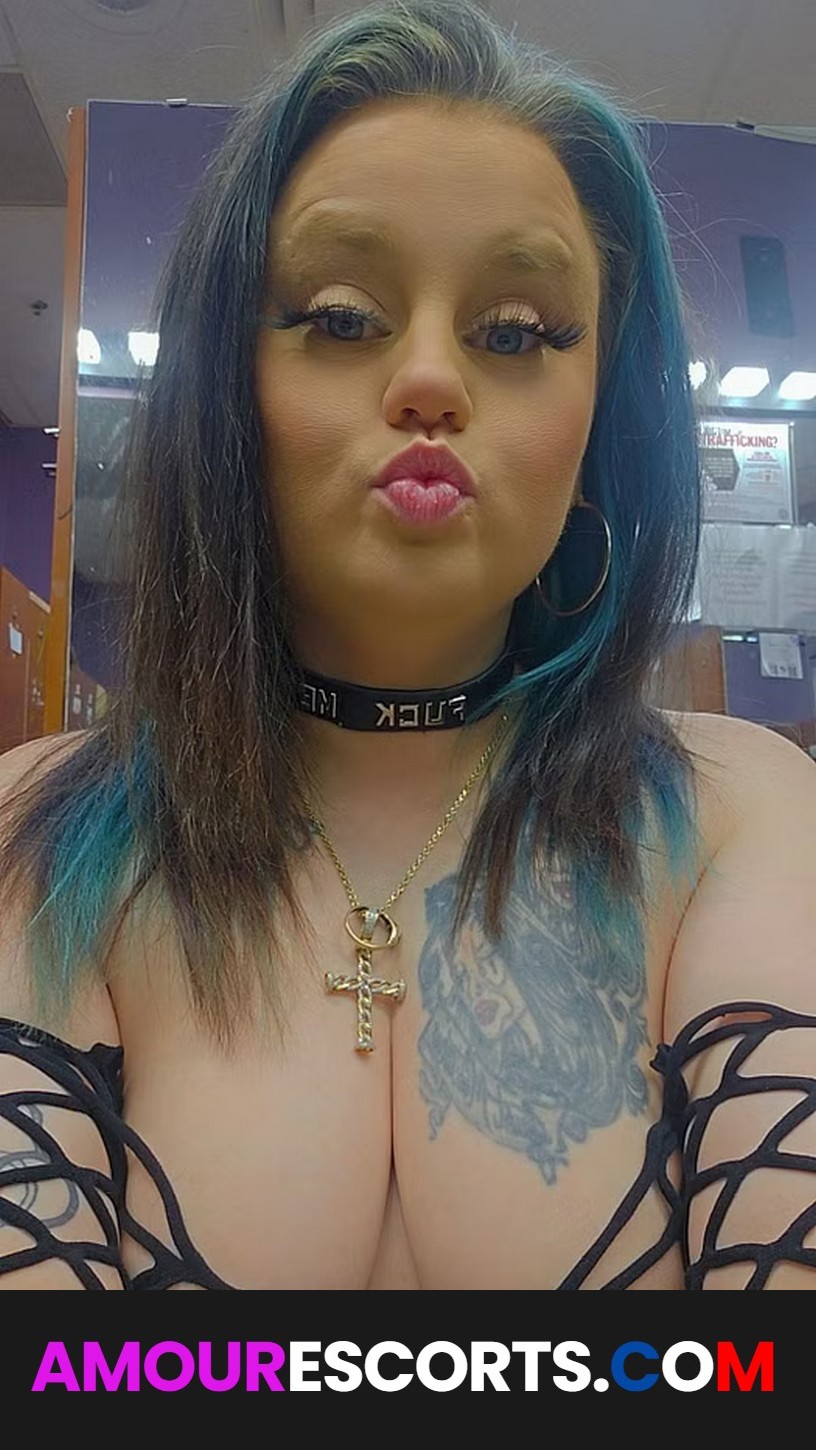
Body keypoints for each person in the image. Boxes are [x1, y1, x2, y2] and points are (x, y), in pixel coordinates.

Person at [1, 0, 815, 1293]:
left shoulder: (739, 816)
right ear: (227, 390)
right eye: (339, 315)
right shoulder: (38, 846)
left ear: (598, 419)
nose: (431, 378)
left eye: (517, 331)